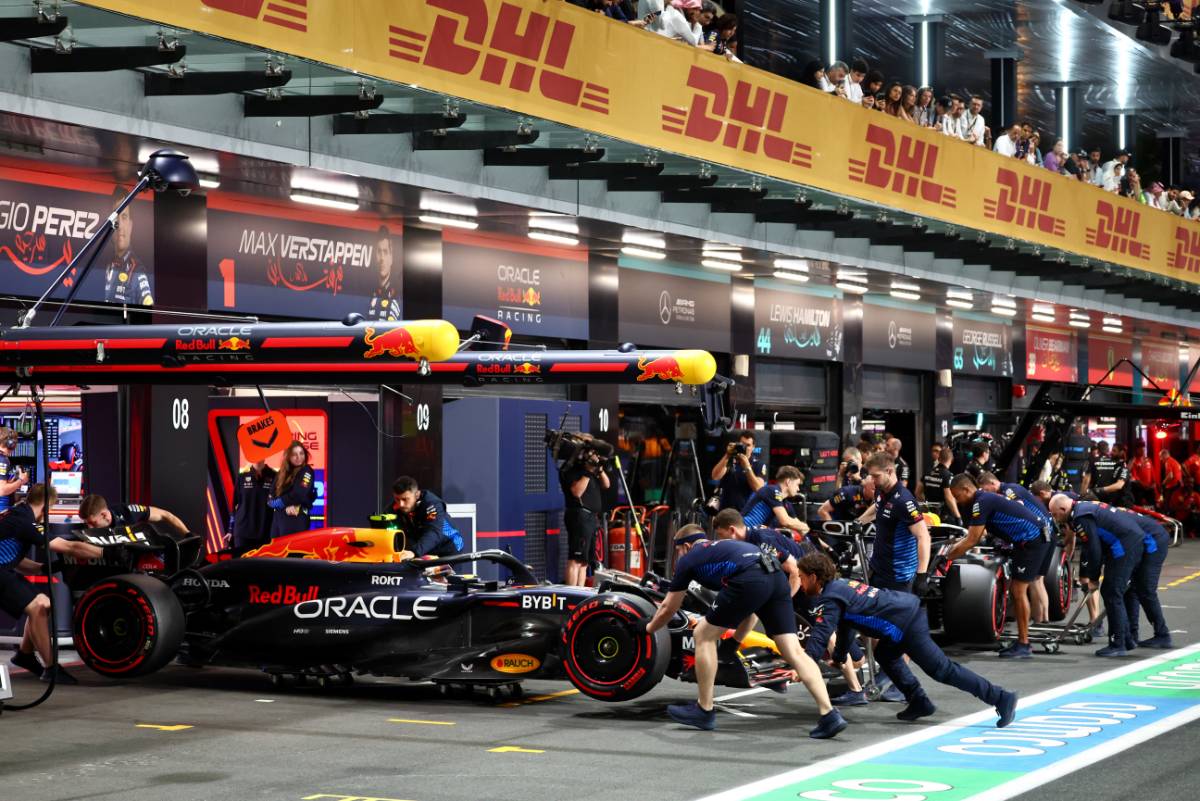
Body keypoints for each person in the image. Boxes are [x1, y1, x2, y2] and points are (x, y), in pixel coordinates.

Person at [643, 525, 846, 737]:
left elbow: (668, 607)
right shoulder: (727, 546)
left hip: (751, 578)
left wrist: (648, 629)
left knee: (703, 634)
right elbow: (752, 606)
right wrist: (733, 643)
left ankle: (704, 710)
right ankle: (829, 714)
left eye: (678, 551)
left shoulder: (689, 558)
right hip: (775, 575)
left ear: (686, 546)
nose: (679, 555)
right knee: (794, 651)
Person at [796, 552, 1018, 727]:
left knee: (942, 670)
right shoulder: (840, 585)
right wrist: (838, 657)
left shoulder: (830, 598)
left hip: (906, 621)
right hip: (902, 613)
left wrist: (804, 665)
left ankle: (1001, 697)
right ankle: (919, 701)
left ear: (814, 577)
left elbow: (821, 633)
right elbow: (846, 627)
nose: (800, 582)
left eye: (801, 577)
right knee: (885, 654)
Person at [3, 484, 103, 683]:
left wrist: (46, 568)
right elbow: (69, 546)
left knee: (44, 603)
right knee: (38, 606)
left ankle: (25, 655)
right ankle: (51, 668)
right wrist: (106, 552)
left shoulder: (15, 514)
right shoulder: (25, 522)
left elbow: (14, 559)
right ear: (46, 506)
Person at [948, 474, 1052, 658]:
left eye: (957, 496)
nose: (957, 500)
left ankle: (1024, 644)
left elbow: (972, 540)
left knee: (1018, 591)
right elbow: (974, 534)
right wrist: (953, 548)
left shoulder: (982, 501)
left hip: (1032, 540)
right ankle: (1022, 640)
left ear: (966, 489)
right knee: (1016, 590)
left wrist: (946, 558)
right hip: (1026, 541)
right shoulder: (982, 500)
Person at [1050, 494, 1148, 656]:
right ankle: (1126, 639)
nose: (1056, 518)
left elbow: (1093, 548)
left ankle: (1118, 643)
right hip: (1129, 540)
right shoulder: (1083, 507)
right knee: (1116, 591)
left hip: (1124, 544)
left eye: (1055, 514)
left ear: (1063, 508)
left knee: (1111, 592)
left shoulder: (1080, 517)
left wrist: (1093, 578)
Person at [976, 471, 1053, 624]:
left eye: (985, 489)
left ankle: (1040, 621)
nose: (985, 493)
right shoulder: (1009, 489)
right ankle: (1042, 619)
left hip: (1040, 533)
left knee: (1034, 581)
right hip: (1044, 531)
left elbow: (1018, 506)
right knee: (1036, 580)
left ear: (993, 483)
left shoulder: (1009, 489)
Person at [855, 453, 930, 593]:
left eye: (876, 476)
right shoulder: (880, 490)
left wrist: (921, 575)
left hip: (898, 577)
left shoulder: (904, 501)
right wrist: (859, 521)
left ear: (889, 471)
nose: (872, 480)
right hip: (877, 569)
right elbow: (878, 506)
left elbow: (923, 537)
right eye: (871, 476)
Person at [713, 509, 806, 595]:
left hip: (804, 579)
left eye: (720, 535)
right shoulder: (748, 539)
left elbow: (795, 570)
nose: (720, 540)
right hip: (789, 579)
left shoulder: (761, 540)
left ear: (732, 530)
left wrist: (785, 601)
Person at [558, 437, 610, 585]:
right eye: (591, 452)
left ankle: (580, 594)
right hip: (579, 516)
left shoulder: (590, 469)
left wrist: (599, 468)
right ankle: (571, 593)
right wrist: (587, 472)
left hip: (591, 518)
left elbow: (606, 484)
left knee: (584, 561)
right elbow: (576, 492)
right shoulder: (570, 469)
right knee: (575, 559)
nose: (593, 455)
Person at [1126, 512, 1172, 649]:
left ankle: (1162, 634)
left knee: (1146, 589)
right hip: (1143, 541)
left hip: (1154, 541)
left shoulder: (1103, 518)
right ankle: (1132, 634)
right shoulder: (1107, 513)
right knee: (1131, 588)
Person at [391, 475, 464, 559]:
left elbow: (434, 531)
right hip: (427, 549)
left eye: (405, 499)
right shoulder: (396, 506)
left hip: (449, 548)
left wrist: (414, 552)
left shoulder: (432, 504)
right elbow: (383, 524)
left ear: (417, 495)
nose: (401, 504)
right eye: (397, 499)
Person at [103, 185, 153, 306]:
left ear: (130, 225)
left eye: (124, 217)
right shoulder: (106, 263)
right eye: (116, 218)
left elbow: (149, 308)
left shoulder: (137, 270)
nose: (120, 224)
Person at [268, 441, 317, 539]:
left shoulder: (307, 471)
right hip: (278, 519)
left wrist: (278, 502)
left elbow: (299, 494)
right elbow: (270, 498)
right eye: (294, 454)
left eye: (301, 453)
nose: (299, 457)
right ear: (288, 456)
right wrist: (283, 505)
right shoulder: (282, 472)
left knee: (292, 549)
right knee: (275, 548)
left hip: (296, 518)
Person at [741, 466, 809, 533]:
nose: (798, 489)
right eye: (797, 484)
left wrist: (803, 529)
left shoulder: (786, 503)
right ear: (788, 482)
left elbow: (796, 523)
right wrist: (805, 527)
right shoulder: (772, 490)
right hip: (743, 530)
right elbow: (785, 521)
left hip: (755, 533)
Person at [710, 432, 766, 512]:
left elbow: (759, 488)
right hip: (724, 510)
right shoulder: (729, 459)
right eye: (742, 444)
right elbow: (715, 476)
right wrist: (727, 455)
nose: (745, 448)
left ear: (753, 447)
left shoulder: (758, 464)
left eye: (748, 445)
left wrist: (747, 467)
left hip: (745, 511)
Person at [230, 459, 276, 553]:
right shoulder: (242, 476)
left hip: (265, 532)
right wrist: (230, 529)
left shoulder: (275, 476)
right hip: (243, 533)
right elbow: (234, 505)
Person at [78, 493, 188, 532]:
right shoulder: (85, 530)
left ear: (104, 515)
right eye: (87, 523)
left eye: (93, 523)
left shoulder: (128, 512)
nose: (89, 528)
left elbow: (166, 515)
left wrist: (187, 534)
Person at [1082, 441, 1132, 507]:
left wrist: (1100, 490)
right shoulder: (1114, 464)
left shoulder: (1123, 466)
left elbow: (1119, 485)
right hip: (1112, 501)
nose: (1111, 452)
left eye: (1114, 451)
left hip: (1124, 501)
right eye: (1111, 450)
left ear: (1121, 452)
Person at [918, 446, 961, 524]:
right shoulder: (948, 475)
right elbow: (949, 497)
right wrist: (958, 517)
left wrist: (928, 505)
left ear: (939, 458)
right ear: (951, 460)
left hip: (929, 515)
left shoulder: (927, 472)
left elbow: (918, 492)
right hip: (943, 515)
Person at [368, 225, 399, 322]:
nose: (382, 258)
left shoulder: (398, 295)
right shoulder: (368, 291)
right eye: (379, 252)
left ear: (391, 257)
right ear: (375, 256)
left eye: (385, 252)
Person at [0, 426, 28, 513]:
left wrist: (10, 483)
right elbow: (1, 490)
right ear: (11, 443)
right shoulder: (2, 459)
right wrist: (21, 481)